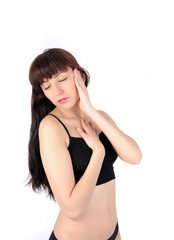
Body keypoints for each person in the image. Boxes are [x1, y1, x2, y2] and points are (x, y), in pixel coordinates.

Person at [27, 48, 142, 240]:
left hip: (113, 234)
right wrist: (98, 151)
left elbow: (134, 156)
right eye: (46, 87)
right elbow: (72, 209)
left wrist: (91, 110)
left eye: (61, 79)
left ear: (78, 75)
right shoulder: (51, 127)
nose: (57, 91)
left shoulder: (100, 117)